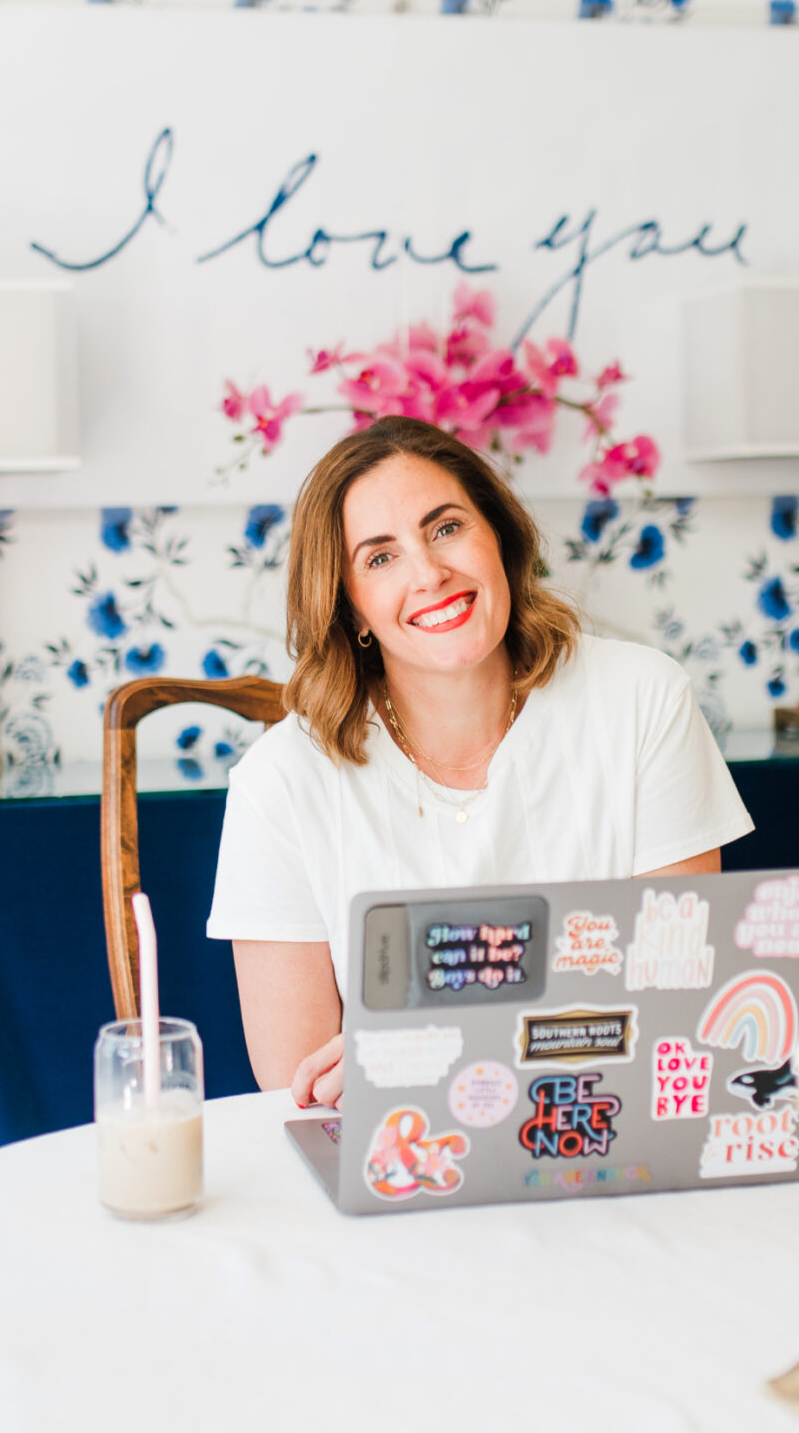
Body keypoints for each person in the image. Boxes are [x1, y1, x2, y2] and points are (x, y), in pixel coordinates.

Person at [206, 417, 755, 1108]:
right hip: (398, 1166)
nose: (430, 573)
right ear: (352, 611)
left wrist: (440, 1046)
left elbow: (683, 991)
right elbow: (301, 1080)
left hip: (615, 1132)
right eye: (380, 558)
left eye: (446, 528)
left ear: (499, 536)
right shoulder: (277, 783)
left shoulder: (644, 699)